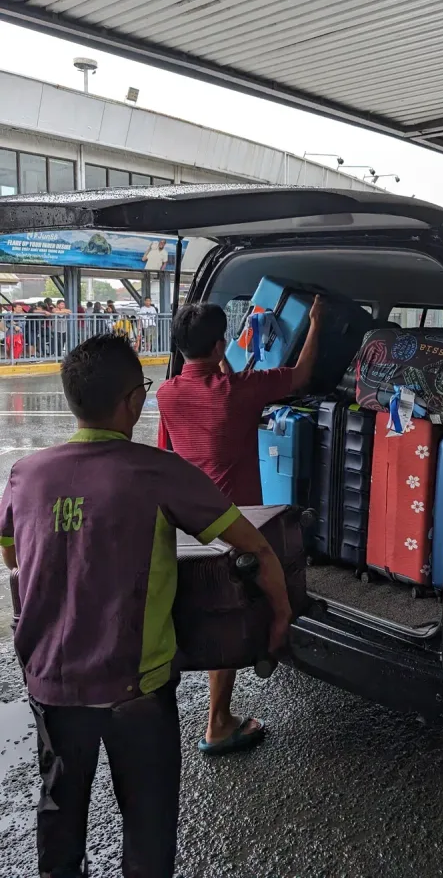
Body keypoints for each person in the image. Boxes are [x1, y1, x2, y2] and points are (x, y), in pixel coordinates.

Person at [0, 334, 292, 877]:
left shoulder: (25, 475)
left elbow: (14, 553)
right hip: (136, 687)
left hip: (50, 684)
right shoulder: (158, 471)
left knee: (59, 815)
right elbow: (254, 546)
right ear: (133, 402)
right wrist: (278, 621)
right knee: (148, 827)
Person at [157, 298, 323, 755]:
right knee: (233, 612)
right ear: (218, 343)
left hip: (187, 522)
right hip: (236, 522)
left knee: (196, 609)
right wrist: (315, 323)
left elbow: (167, 451)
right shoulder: (241, 390)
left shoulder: (167, 393)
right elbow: (302, 374)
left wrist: (219, 355)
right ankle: (221, 718)